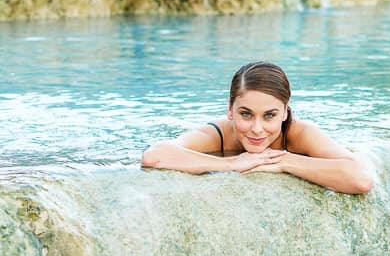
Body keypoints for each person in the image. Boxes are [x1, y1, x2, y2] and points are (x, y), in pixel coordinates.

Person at [141, 61, 373, 194]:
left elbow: (361, 178)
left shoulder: (300, 134)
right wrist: (231, 163)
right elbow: (155, 156)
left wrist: (283, 161)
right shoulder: (219, 135)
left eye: (269, 116)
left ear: (284, 112)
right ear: (230, 109)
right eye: (246, 114)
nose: (257, 129)